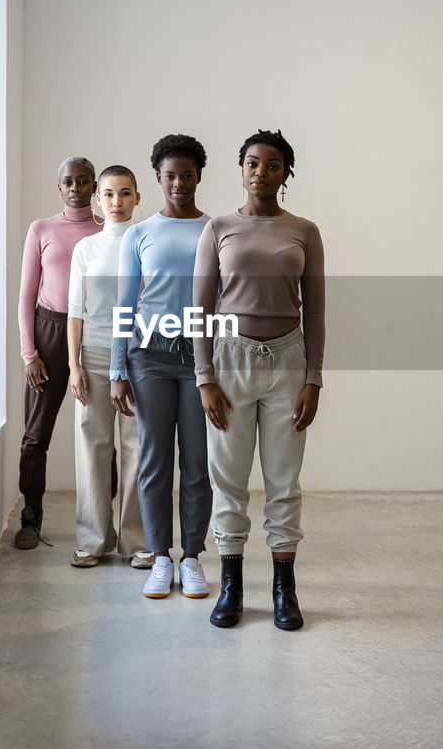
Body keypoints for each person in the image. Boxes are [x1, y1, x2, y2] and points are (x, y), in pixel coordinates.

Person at [193, 129, 325, 630]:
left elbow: (315, 310)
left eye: (273, 165)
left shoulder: (305, 231)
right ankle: (230, 586)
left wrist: (313, 377)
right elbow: (200, 306)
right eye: (252, 162)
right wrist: (205, 376)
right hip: (229, 361)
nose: (260, 171)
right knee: (227, 479)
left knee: (283, 481)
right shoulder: (219, 227)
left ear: (285, 173)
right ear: (241, 167)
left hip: (288, 360)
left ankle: (284, 589)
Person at [110, 134, 213, 599]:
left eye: (187, 175)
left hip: (199, 360)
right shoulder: (140, 234)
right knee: (154, 460)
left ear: (198, 178)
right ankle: (159, 556)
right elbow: (125, 304)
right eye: (170, 175)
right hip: (147, 358)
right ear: (157, 178)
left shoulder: (215, 230)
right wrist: (117, 370)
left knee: (196, 461)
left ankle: (191, 557)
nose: (178, 183)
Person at [66, 166, 153, 569]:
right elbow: (74, 311)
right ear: (97, 200)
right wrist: (74, 364)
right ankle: (92, 539)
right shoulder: (86, 248)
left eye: (125, 193)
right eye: (108, 194)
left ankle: (136, 542)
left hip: (140, 356)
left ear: (137, 198)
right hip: (94, 358)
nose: (116, 202)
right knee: (93, 447)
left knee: (137, 449)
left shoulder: (146, 242)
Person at [13, 157, 102, 550]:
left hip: (94, 330)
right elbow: (26, 295)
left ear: (94, 185)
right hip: (49, 330)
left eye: (83, 181)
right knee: (36, 435)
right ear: (59, 186)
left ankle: (104, 519)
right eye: (68, 181)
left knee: (101, 432)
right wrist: (29, 353)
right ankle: (31, 518)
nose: (75, 188)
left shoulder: (106, 229)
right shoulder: (42, 229)